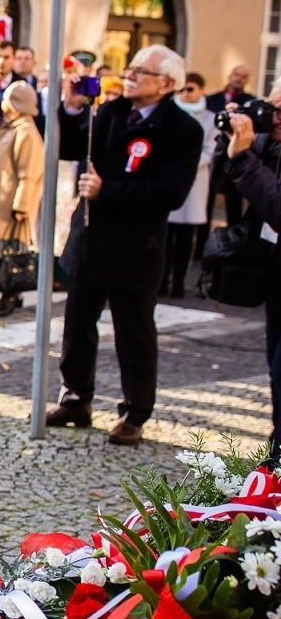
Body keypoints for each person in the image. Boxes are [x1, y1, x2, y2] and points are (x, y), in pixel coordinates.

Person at [47, 45, 203, 446]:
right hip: (91, 237)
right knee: (77, 324)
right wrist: (73, 107)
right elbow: (69, 147)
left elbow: (170, 192)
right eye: (130, 68)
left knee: (133, 332)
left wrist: (108, 190)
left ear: (167, 84)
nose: (129, 74)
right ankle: (75, 397)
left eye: (140, 71)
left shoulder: (183, 130)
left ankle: (135, 411)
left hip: (136, 246)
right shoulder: (111, 112)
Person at [215, 84, 281, 462]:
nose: (272, 118)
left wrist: (243, 158)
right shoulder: (267, 144)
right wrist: (230, 143)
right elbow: (223, 184)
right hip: (274, 278)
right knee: (275, 369)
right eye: (270, 108)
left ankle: (276, 462)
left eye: (280, 112)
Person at [0, 82, 44, 316]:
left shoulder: (26, 132)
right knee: (4, 251)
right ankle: (7, 293)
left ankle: (11, 293)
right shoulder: (9, 129)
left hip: (13, 205)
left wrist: (21, 204)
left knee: (14, 252)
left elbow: (29, 171)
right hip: (1, 202)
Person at [163, 71, 215, 299]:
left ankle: (179, 283)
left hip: (194, 182)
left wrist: (187, 164)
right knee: (165, 237)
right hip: (168, 178)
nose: (185, 93)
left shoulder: (210, 119)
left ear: (201, 91)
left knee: (185, 239)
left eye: (190, 89)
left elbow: (210, 150)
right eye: (183, 89)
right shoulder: (168, 114)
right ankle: (162, 281)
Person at [207, 64, 255, 229]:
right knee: (206, 203)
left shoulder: (250, 103)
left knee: (234, 205)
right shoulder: (211, 100)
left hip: (235, 156)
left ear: (247, 80)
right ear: (230, 75)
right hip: (213, 155)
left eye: (243, 76)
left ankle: (232, 242)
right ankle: (201, 246)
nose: (238, 79)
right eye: (236, 74)